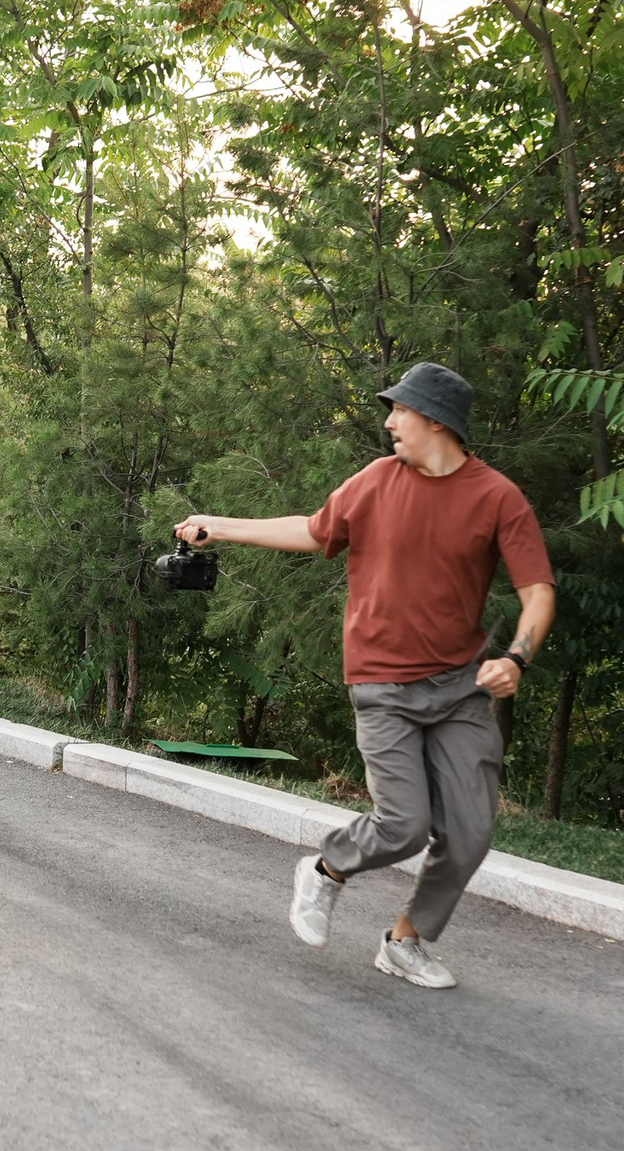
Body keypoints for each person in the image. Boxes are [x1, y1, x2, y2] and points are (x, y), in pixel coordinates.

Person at [175, 361, 555, 988]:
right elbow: (312, 530)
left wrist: (516, 657)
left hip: (460, 688)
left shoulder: (497, 498)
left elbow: (537, 591)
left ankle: (404, 942)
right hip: (382, 682)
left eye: (400, 411)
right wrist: (221, 527)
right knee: (403, 825)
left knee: (469, 833)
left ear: (436, 421)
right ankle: (325, 870)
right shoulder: (376, 481)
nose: (389, 423)